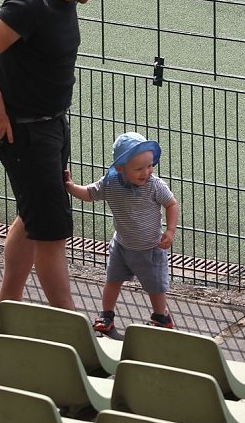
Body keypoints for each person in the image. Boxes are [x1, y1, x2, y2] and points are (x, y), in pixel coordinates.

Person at [0, 0, 120, 312]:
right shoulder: (31, 1)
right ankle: (71, 328)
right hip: (26, 132)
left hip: (51, 127)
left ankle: (7, 311)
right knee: (51, 233)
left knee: (32, 216)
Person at [65, 132, 180, 332]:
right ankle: (106, 315)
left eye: (150, 166)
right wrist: (71, 187)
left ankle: (161, 317)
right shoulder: (110, 183)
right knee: (112, 280)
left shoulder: (154, 185)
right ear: (120, 168)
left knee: (155, 287)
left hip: (150, 248)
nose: (146, 172)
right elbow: (90, 194)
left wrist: (170, 231)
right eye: (139, 168)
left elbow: (171, 204)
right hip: (121, 246)